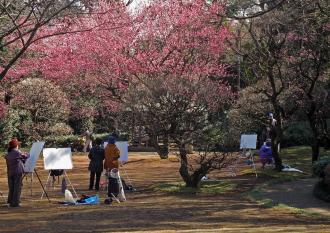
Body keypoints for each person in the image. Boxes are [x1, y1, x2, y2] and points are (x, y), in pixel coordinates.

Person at [5, 138, 30, 207]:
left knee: (12, 187)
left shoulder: (8, 153)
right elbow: (26, 156)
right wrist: (27, 153)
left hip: (10, 173)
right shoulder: (17, 152)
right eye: (18, 144)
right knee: (17, 187)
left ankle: (10, 201)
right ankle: (15, 203)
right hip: (17, 173)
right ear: (16, 146)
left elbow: (18, 159)